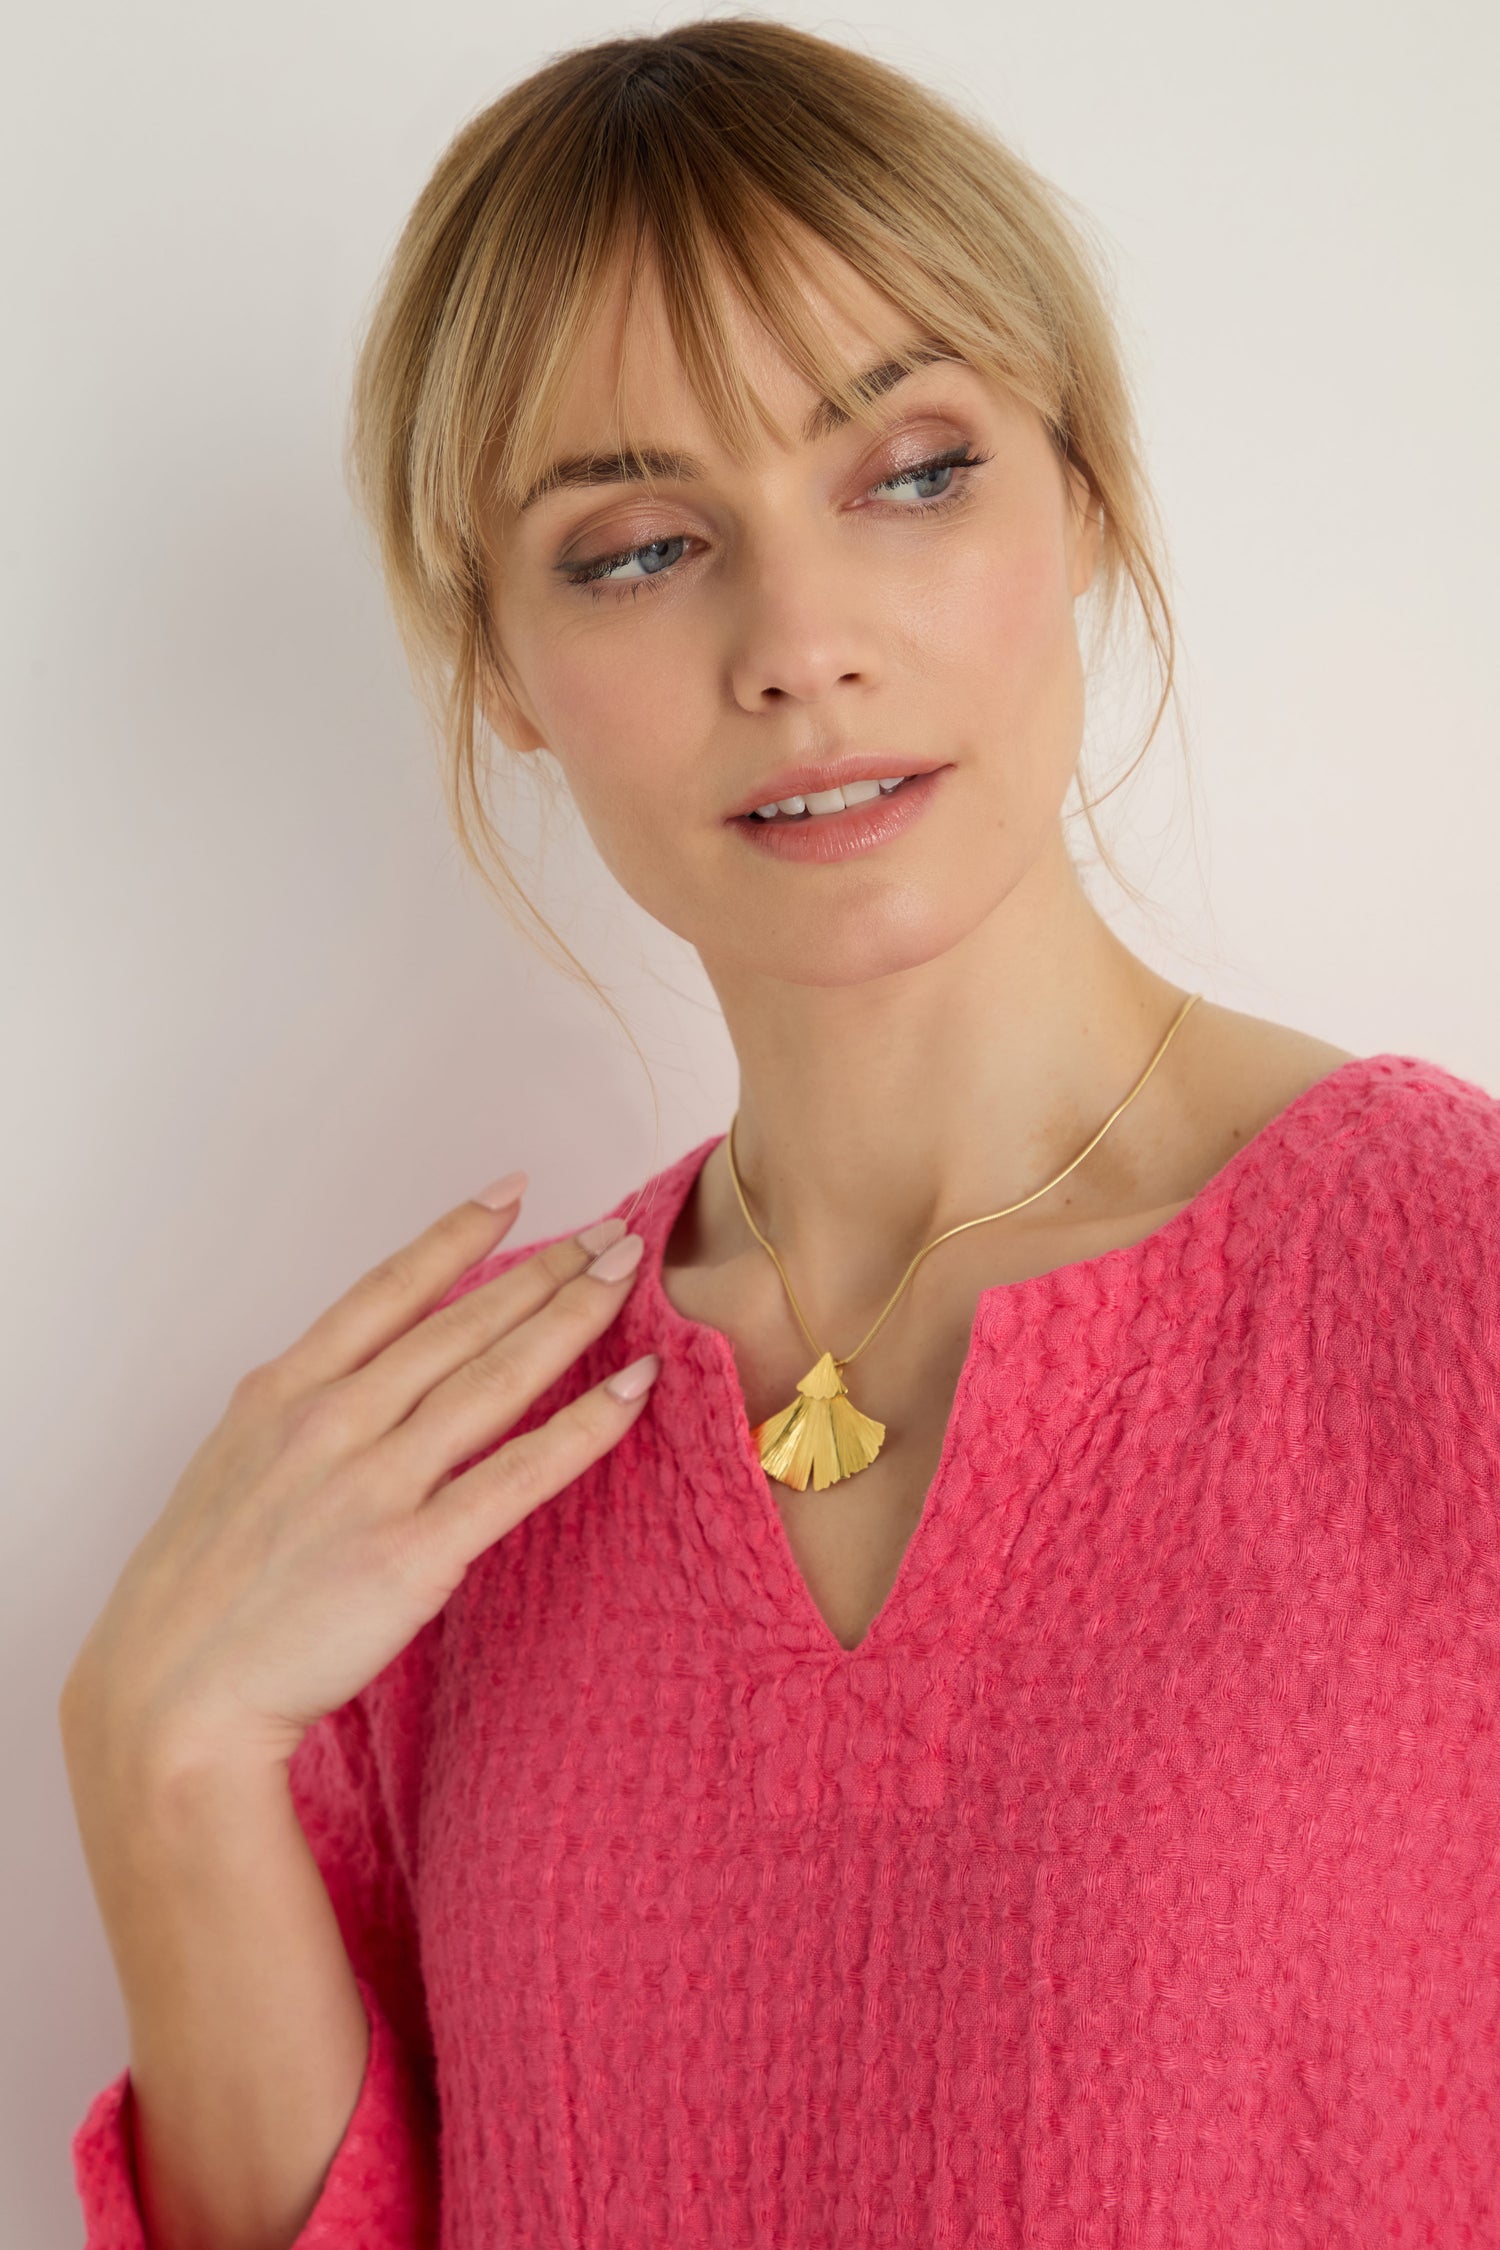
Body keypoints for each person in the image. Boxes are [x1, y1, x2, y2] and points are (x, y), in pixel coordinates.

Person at [60, 19, 1500, 2249]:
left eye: (910, 470)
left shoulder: (1451, 1292)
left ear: (1087, 497)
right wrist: (159, 1759)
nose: (801, 640)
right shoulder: (441, 1484)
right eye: (639, 546)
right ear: (500, 674)